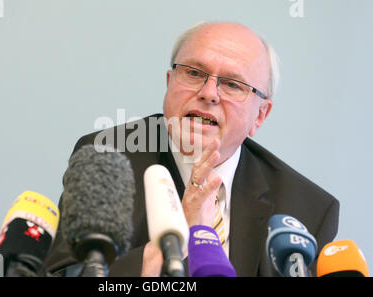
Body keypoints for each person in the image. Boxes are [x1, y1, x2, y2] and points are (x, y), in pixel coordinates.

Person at [43, 21, 339, 277]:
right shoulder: (107, 159)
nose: (209, 93)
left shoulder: (305, 209)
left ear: (260, 115)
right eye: (194, 73)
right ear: (170, 83)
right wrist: (167, 245)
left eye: (232, 84)